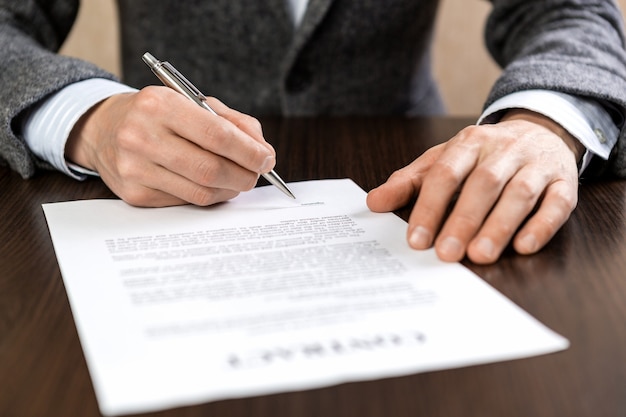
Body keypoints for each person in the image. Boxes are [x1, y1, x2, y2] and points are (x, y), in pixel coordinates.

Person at [1, 0, 626, 265]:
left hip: (402, 174)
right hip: (150, 201)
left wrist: (544, 120)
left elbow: (566, 10)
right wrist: (88, 119)